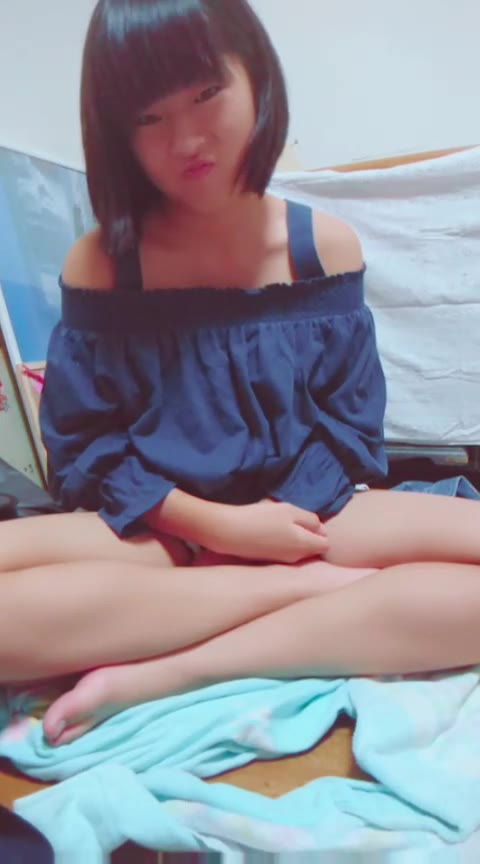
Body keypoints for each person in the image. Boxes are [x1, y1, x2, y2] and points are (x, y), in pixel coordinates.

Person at [1, 0, 480, 748]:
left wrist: (274, 526)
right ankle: (291, 596)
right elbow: (85, 445)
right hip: (157, 526)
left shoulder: (322, 247)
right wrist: (219, 528)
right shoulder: (102, 262)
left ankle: (173, 669)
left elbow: (348, 428)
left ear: (256, 77)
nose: (187, 139)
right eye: (148, 117)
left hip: (311, 516)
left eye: (205, 94)